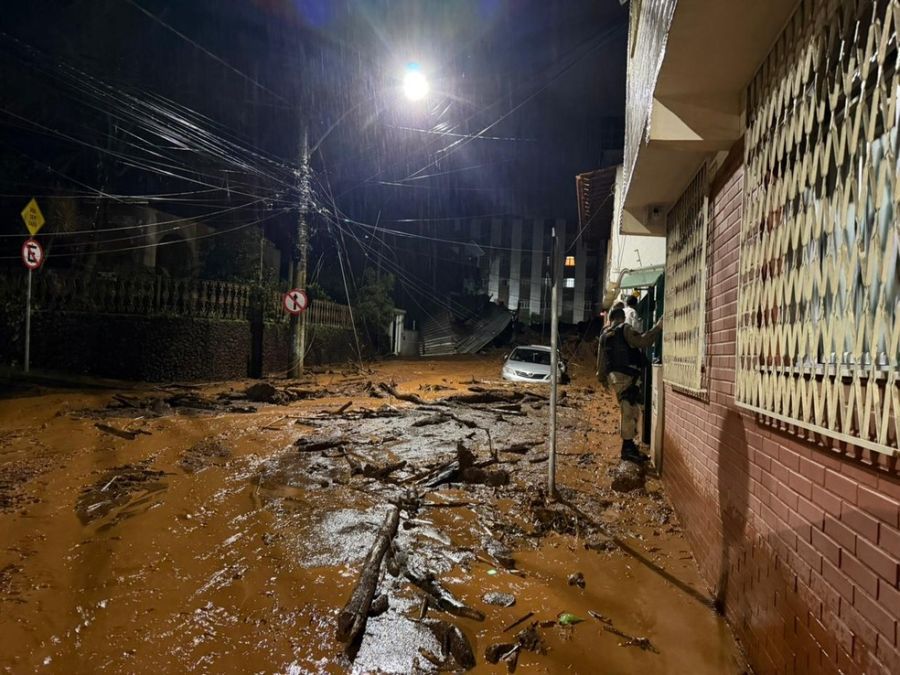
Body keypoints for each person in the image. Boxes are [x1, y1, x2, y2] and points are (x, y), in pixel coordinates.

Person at [596, 307, 663, 463]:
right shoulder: (625, 329)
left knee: (629, 409)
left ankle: (629, 446)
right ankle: (627, 449)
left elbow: (601, 360)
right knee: (629, 410)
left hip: (614, 377)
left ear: (610, 319)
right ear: (622, 318)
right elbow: (642, 341)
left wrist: (602, 378)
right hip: (627, 376)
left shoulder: (604, 335)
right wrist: (658, 328)